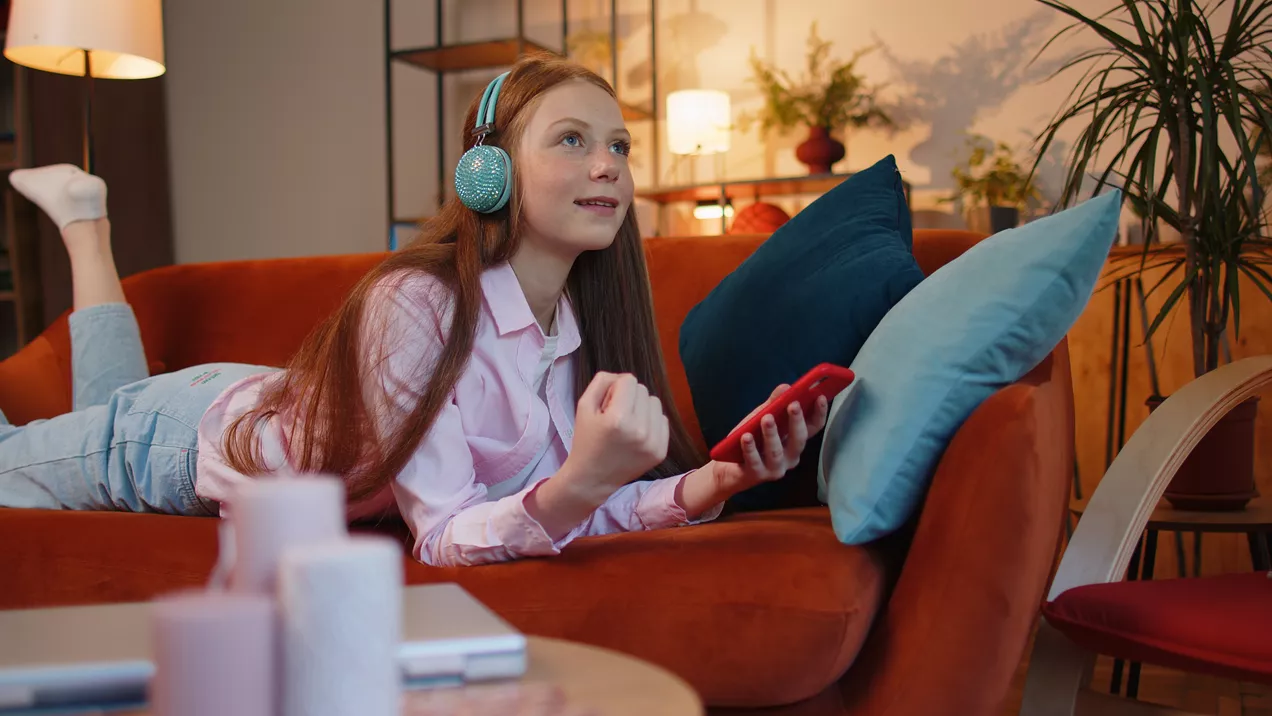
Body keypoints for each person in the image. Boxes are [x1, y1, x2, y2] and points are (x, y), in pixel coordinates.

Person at [0, 54, 829, 567]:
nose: (608, 165)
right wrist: (581, 479)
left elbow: (554, 506)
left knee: (99, 406)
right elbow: (446, 536)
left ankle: (85, 224)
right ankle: (87, 224)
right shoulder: (416, 303)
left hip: (257, 400)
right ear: (488, 173)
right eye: (572, 140)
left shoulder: (572, 334)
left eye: (618, 145)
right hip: (177, 441)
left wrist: (712, 482)